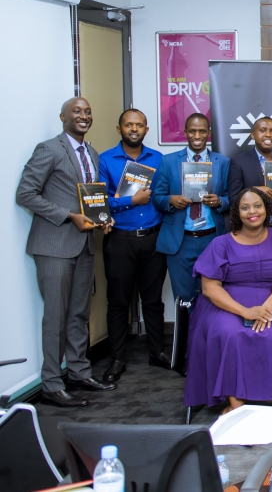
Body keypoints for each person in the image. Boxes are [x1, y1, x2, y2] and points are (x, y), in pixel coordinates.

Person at [16, 97, 117, 407]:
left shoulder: (93, 153)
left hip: (85, 245)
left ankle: (78, 371)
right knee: (56, 316)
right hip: (55, 246)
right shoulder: (49, 149)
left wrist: (103, 219)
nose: (83, 115)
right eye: (77, 111)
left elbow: (91, 200)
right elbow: (25, 193)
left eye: (88, 111)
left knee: (78, 314)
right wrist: (67, 215)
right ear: (63, 117)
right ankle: (51, 382)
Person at [184, 187, 272, 413]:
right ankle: (237, 406)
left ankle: (266, 394)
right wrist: (245, 312)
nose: (253, 211)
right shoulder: (221, 244)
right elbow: (210, 288)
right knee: (231, 334)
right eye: (245, 207)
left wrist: (267, 306)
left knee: (268, 335)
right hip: (227, 304)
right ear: (236, 213)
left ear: (268, 209)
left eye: (258, 206)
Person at [97, 109, 169, 383]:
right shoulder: (106, 159)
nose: (134, 129)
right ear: (120, 129)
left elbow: (162, 197)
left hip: (152, 238)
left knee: (152, 300)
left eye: (139, 125)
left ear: (146, 130)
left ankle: (156, 352)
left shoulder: (158, 159)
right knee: (118, 302)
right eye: (129, 125)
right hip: (120, 240)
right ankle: (117, 359)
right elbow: (100, 202)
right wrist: (130, 201)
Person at [153, 113, 230, 303]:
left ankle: (206, 334)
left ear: (209, 133)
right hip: (180, 241)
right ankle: (186, 334)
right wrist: (171, 200)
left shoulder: (222, 162)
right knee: (184, 299)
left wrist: (219, 202)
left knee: (212, 297)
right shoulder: (168, 161)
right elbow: (157, 197)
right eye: (193, 131)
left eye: (202, 131)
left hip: (212, 239)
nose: (197, 136)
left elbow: (231, 197)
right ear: (185, 132)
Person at [227, 116, 272, 230]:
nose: (268, 135)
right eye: (262, 130)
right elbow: (233, 199)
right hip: (252, 229)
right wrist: (255, 191)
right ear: (253, 135)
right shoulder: (239, 162)